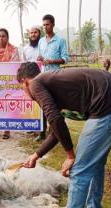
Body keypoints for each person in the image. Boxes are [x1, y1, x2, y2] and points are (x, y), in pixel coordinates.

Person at [17, 62, 111, 208]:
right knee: (95, 162)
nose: (27, 95)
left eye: (22, 90)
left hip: (109, 105)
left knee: (79, 170)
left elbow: (56, 119)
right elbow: (56, 130)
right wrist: (36, 155)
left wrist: (70, 155)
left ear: (25, 82)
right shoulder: (50, 83)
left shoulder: (35, 84)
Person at [35, 14, 69, 142]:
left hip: (56, 77)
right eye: (43, 25)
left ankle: (54, 133)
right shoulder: (41, 41)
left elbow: (65, 58)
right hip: (43, 77)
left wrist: (52, 61)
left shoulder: (60, 41)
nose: (45, 27)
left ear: (53, 25)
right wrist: (40, 59)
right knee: (43, 104)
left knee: (56, 106)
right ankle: (42, 132)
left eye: (47, 24)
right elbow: (40, 57)